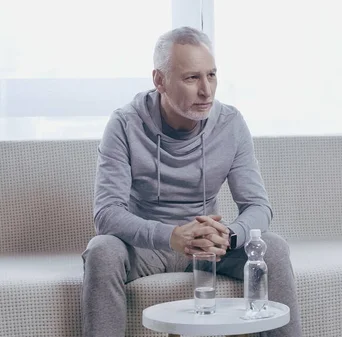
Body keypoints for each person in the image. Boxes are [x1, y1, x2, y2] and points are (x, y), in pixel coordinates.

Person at [81, 26, 302, 337]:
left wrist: (229, 235)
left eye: (211, 75)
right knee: (101, 250)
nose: (206, 91)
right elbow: (106, 214)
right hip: (148, 247)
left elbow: (257, 205)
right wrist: (171, 236)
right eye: (191, 78)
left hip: (211, 244)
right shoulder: (124, 124)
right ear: (160, 80)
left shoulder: (230, 123)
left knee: (274, 247)